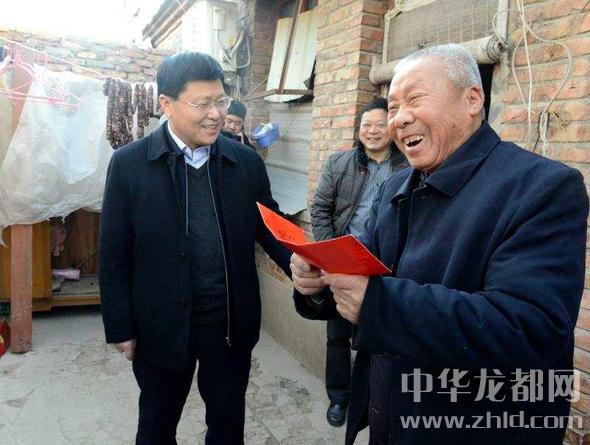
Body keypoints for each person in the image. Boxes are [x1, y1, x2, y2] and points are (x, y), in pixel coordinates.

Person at [290, 44, 588, 444]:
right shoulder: (397, 185)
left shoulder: (540, 188)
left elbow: (529, 329)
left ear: (473, 99)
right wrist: (319, 283)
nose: (400, 118)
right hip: (390, 416)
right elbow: (364, 270)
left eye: (415, 99)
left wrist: (379, 305)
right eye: (393, 107)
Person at [99, 51, 291, 445]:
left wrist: (302, 263)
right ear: (166, 104)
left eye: (220, 101)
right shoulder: (130, 165)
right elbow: (114, 253)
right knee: (156, 425)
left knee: (227, 425)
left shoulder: (244, 162)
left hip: (228, 322)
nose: (215, 114)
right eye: (202, 103)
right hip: (161, 325)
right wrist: (121, 326)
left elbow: (271, 227)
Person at [311, 97, 407, 427]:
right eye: (367, 125)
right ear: (359, 129)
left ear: (391, 128)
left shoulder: (407, 167)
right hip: (344, 261)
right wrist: (330, 252)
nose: (373, 131)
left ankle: (373, 399)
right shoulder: (339, 163)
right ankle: (339, 397)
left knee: (377, 337)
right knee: (337, 336)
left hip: (385, 265)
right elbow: (320, 209)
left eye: (380, 124)